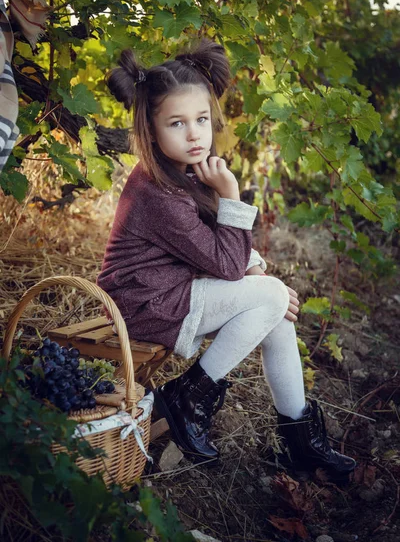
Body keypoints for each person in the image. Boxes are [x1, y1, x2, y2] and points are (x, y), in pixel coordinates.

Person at [97, 38, 356, 477]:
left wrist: (254, 268)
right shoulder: (157, 191)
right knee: (272, 298)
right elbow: (225, 262)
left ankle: (299, 439)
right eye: (177, 123)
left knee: (275, 309)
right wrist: (233, 195)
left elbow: (216, 245)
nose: (194, 133)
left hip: (169, 292)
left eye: (201, 119)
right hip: (143, 305)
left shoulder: (180, 172)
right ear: (151, 129)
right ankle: (185, 399)